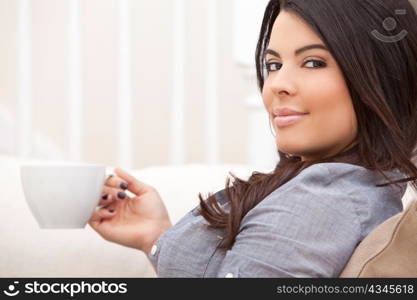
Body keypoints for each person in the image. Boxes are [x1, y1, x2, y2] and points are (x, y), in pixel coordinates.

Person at [88, 0, 417, 277]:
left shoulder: (319, 202)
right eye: (273, 64)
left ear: (381, 79)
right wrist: (154, 236)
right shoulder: (335, 186)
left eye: (314, 62)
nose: (276, 85)